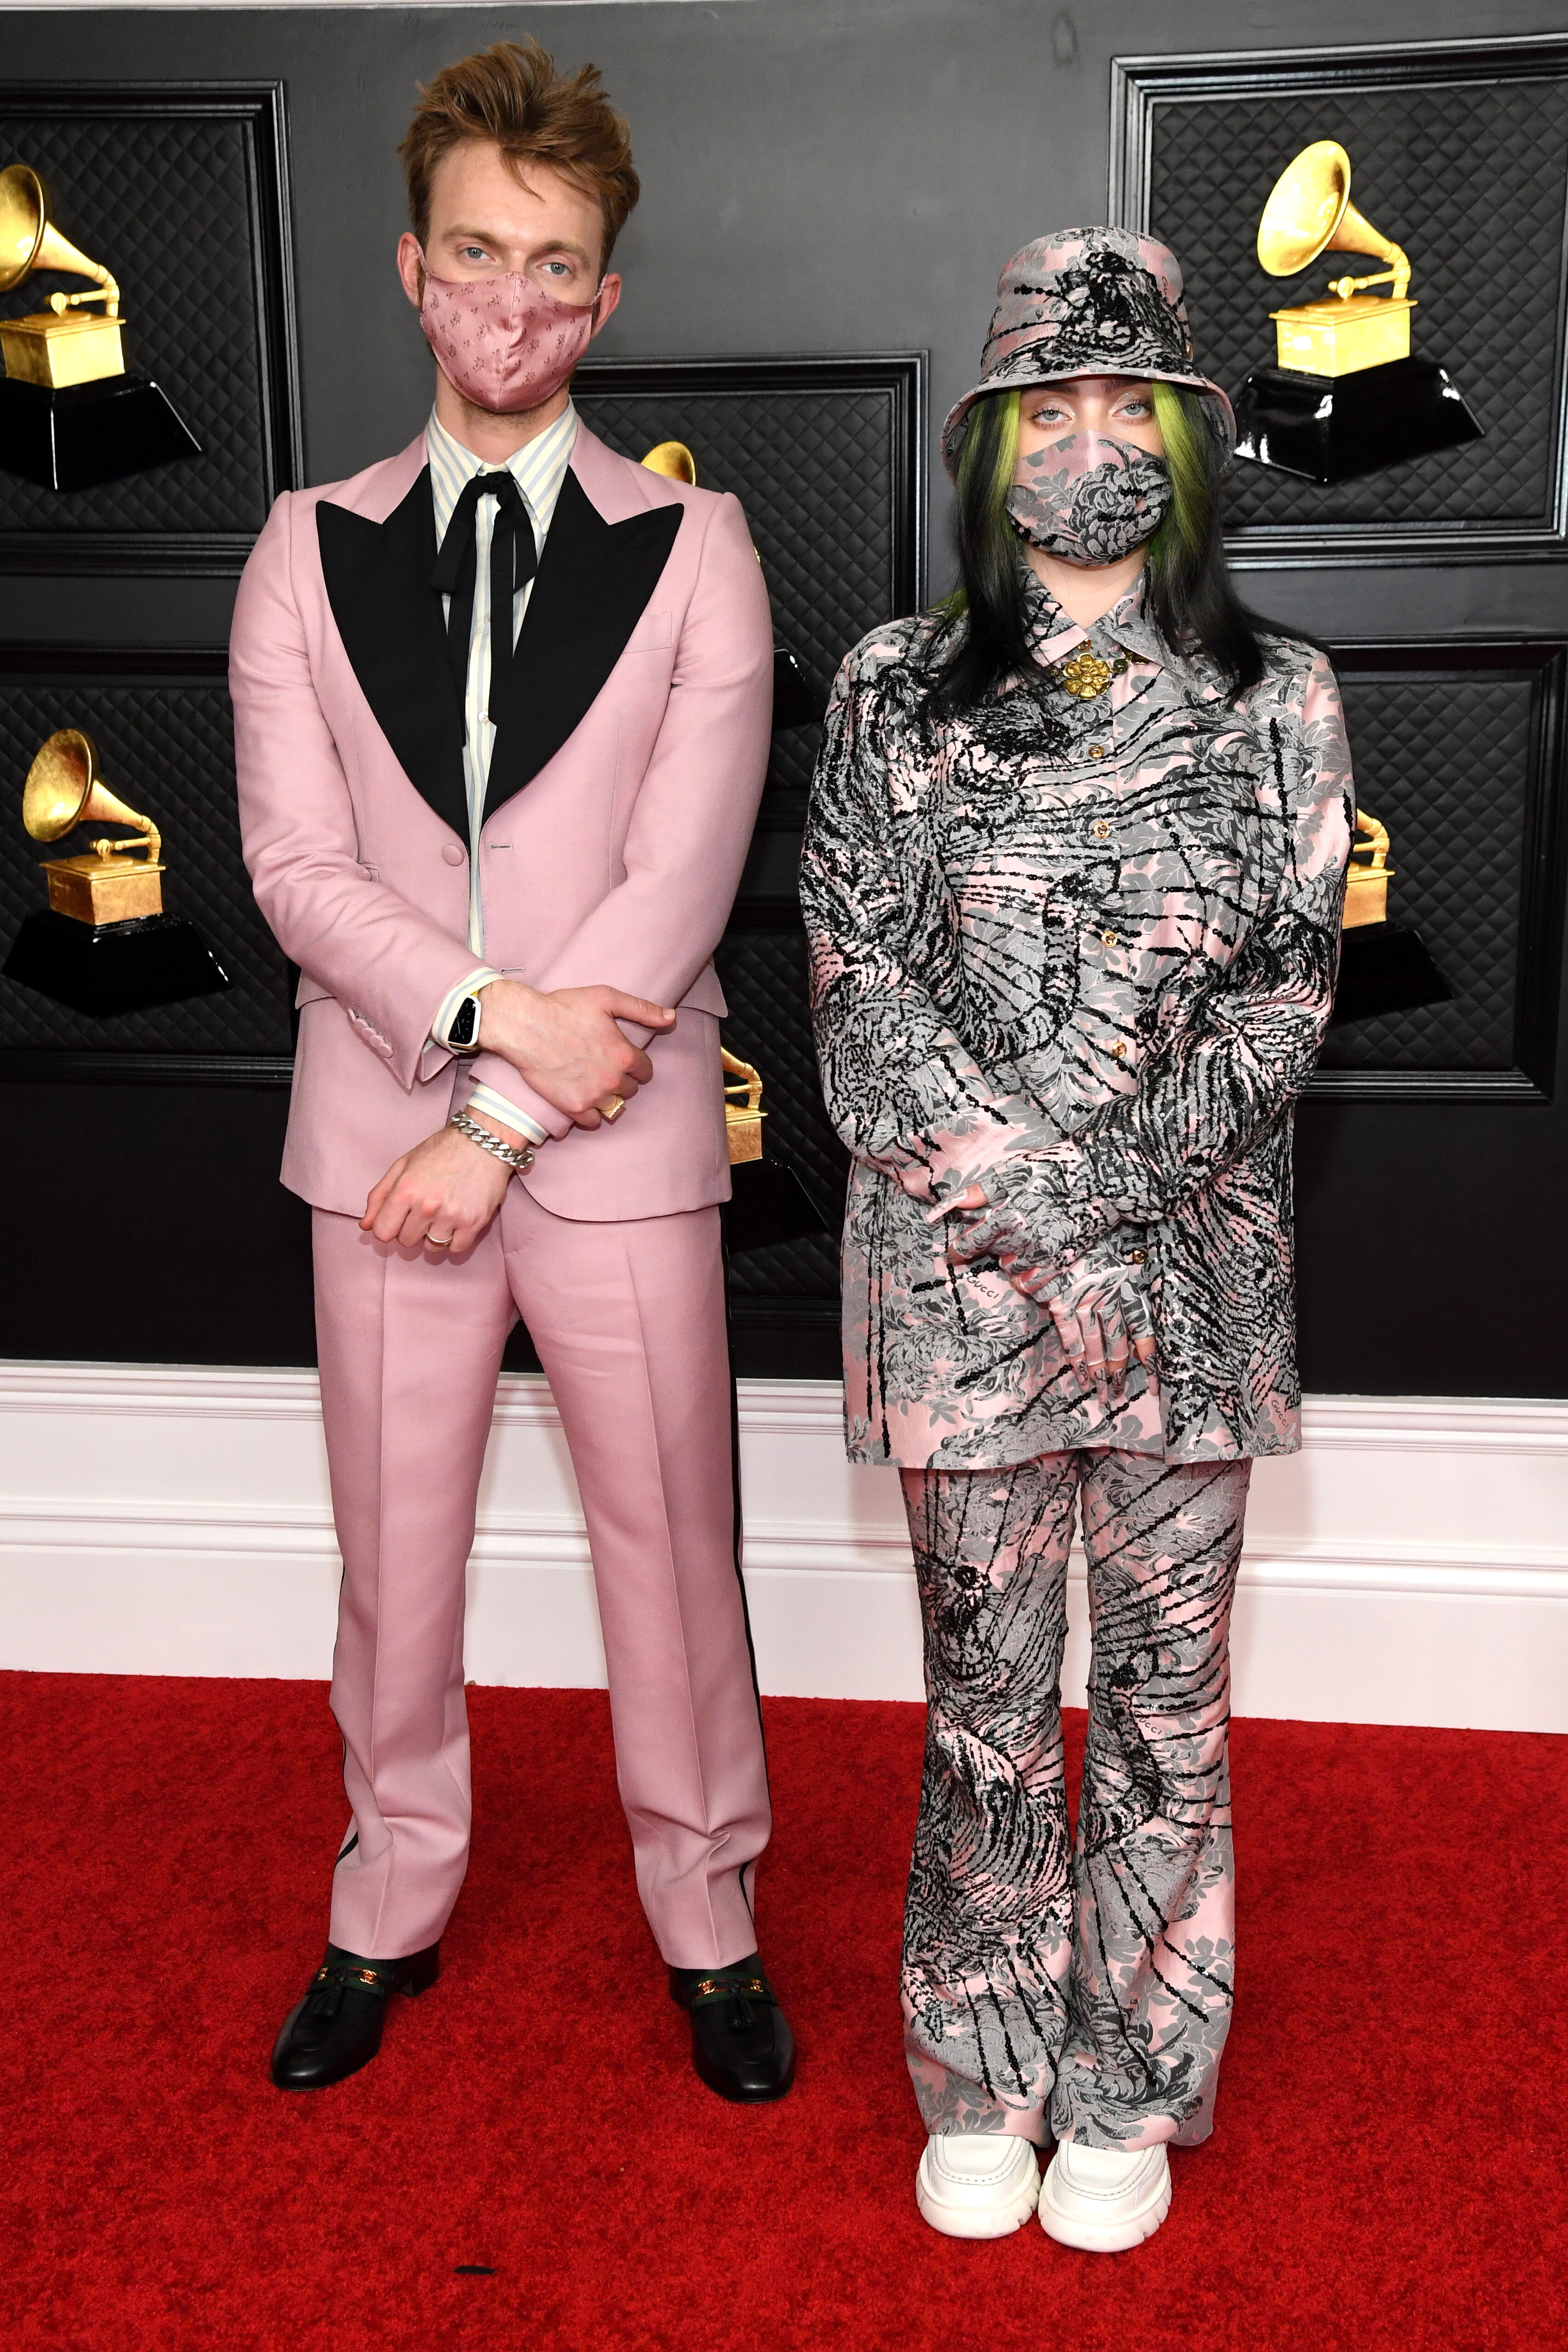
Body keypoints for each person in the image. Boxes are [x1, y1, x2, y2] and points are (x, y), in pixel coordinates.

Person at [231, 37, 795, 2104]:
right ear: (412, 265)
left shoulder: (701, 549)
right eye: (477, 251)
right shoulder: (300, 547)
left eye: (556, 265)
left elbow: (681, 882)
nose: (514, 299)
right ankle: (388, 1897)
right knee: (394, 1561)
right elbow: (294, 869)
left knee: (675, 1552)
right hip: (374, 1139)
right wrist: (486, 1020)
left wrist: (498, 1118)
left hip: (607, 1145)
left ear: (605, 296)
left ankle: (710, 1910)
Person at [800, 228, 1351, 2248]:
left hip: (1189, 1291)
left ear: (1186, 441)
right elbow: (857, 985)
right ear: (991, 444)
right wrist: (1029, 1203)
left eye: (1129, 406)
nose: (1089, 442)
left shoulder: (1283, 696)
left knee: (1170, 1704)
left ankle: (1132, 2079)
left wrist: (1100, 1198)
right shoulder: (889, 689)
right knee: (985, 1703)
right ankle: (984, 2069)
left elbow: (1286, 998)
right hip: (958, 1297)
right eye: (1050, 408)